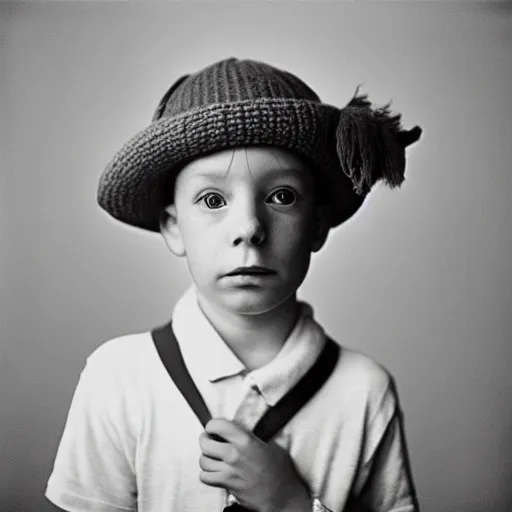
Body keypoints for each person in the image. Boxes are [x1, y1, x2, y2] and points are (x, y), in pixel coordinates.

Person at [45, 58, 422, 512]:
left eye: (281, 196)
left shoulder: (362, 390)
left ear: (318, 224)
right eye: (212, 200)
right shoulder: (119, 378)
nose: (248, 228)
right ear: (173, 227)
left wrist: (292, 504)